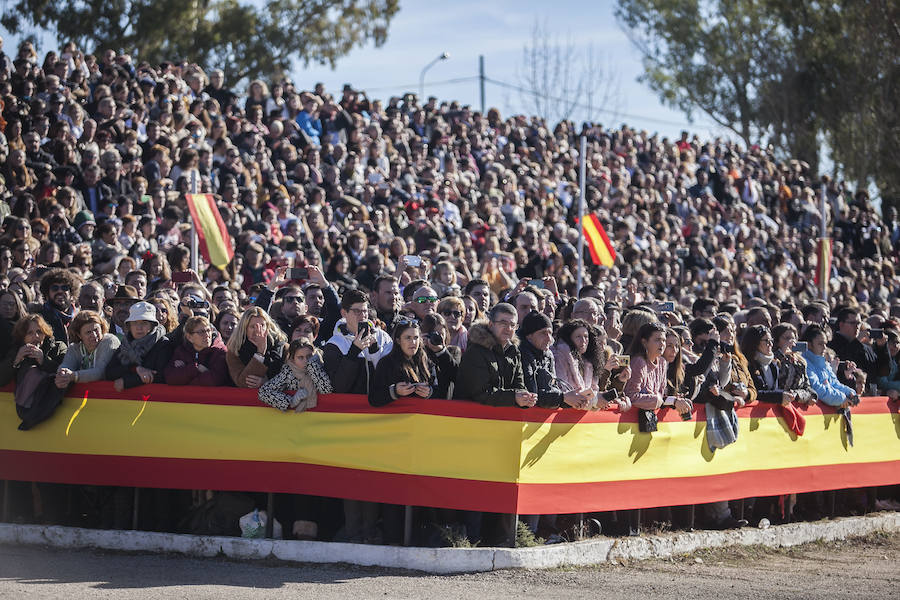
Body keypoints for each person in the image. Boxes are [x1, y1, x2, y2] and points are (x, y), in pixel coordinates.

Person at [456, 303, 536, 407]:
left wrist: (525, 397)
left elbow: (519, 385)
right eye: (503, 323)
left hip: (499, 417)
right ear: (491, 325)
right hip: (468, 417)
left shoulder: (514, 352)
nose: (508, 329)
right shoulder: (476, 351)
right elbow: (481, 393)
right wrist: (514, 397)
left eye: (512, 325)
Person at [0, 314, 67, 428]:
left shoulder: (58, 347)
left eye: (39, 332)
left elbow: (65, 372)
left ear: (45, 333)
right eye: (29, 333)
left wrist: (43, 361)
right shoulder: (17, 350)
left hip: (54, 412)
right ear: (22, 336)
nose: (35, 336)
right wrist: (16, 360)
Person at [518, 311, 593, 409]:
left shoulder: (548, 355)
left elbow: (553, 388)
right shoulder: (521, 354)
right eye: (543, 333)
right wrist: (562, 398)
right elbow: (531, 394)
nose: (549, 339)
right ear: (529, 336)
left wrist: (573, 400)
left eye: (550, 333)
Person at [322, 289, 392, 395]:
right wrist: (353, 352)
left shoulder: (382, 336)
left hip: (379, 406)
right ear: (344, 313)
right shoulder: (334, 344)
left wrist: (375, 352)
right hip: (351, 409)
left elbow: (389, 378)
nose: (363, 315)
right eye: (357, 311)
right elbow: (339, 387)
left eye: (365, 311)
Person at [105, 301, 173, 391]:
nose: (139, 327)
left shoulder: (163, 344)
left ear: (152, 325)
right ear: (129, 326)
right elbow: (109, 372)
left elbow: (159, 376)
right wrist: (135, 369)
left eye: (144, 323)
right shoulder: (126, 344)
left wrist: (126, 382)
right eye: (135, 323)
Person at [369, 319, 437, 407]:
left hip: (421, 418)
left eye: (416, 338)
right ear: (398, 340)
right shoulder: (386, 363)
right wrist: (394, 391)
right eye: (408, 338)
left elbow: (440, 393)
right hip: (394, 417)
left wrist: (429, 392)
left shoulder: (426, 362)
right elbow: (373, 399)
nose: (413, 342)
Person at [259, 339, 333, 411]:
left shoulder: (321, 366)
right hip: (297, 418)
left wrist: (313, 366)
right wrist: (291, 400)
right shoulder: (288, 372)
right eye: (300, 358)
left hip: (320, 415)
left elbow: (326, 390)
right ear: (292, 359)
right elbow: (264, 391)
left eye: (309, 356)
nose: (306, 361)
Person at [55, 310, 120, 387]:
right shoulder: (74, 348)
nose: (94, 335)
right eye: (88, 332)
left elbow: (100, 372)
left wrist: (74, 376)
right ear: (79, 335)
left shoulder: (110, 341)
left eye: (96, 330)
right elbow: (66, 365)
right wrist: (62, 374)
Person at [225, 306, 287, 388]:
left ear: (268, 327)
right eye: (252, 327)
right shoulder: (234, 350)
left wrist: (267, 382)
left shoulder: (283, 347)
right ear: (244, 329)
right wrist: (260, 353)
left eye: (262, 326)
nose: (258, 331)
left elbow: (290, 379)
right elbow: (243, 382)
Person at [801, 324, 858, 408]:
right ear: (809, 345)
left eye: (825, 344)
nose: (824, 348)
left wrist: (850, 393)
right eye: (820, 344)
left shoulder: (825, 364)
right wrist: (842, 399)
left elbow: (835, 384)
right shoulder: (804, 364)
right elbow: (817, 389)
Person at [164, 315, 229, 386]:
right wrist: (195, 368)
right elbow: (170, 378)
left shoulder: (220, 352)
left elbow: (214, 381)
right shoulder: (181, 351)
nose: (207, 335)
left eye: (208, 330)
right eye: (201, 332)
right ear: (189, 337)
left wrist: (184, 372)